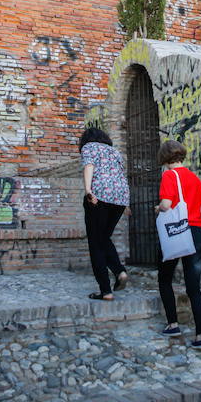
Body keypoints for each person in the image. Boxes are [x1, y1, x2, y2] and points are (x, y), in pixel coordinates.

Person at [155, 140, 201, 350]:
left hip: (176, 232)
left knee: (164, 278)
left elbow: (167, 204)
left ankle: (173, 324)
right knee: (194, 287)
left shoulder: (169, 175)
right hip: (196, 232)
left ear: (164, 158)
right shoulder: (194, 178)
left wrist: (158, 209)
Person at [79, 127, 130, 301]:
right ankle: (119, 271)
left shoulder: (89, 147)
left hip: (99, 196)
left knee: (96, 244)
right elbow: (121, 175)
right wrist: (126, 204)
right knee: (103, 238)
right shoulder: (114, 151)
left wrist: (88, 190)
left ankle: (106, 290)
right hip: (120, 198)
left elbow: (89, 166)